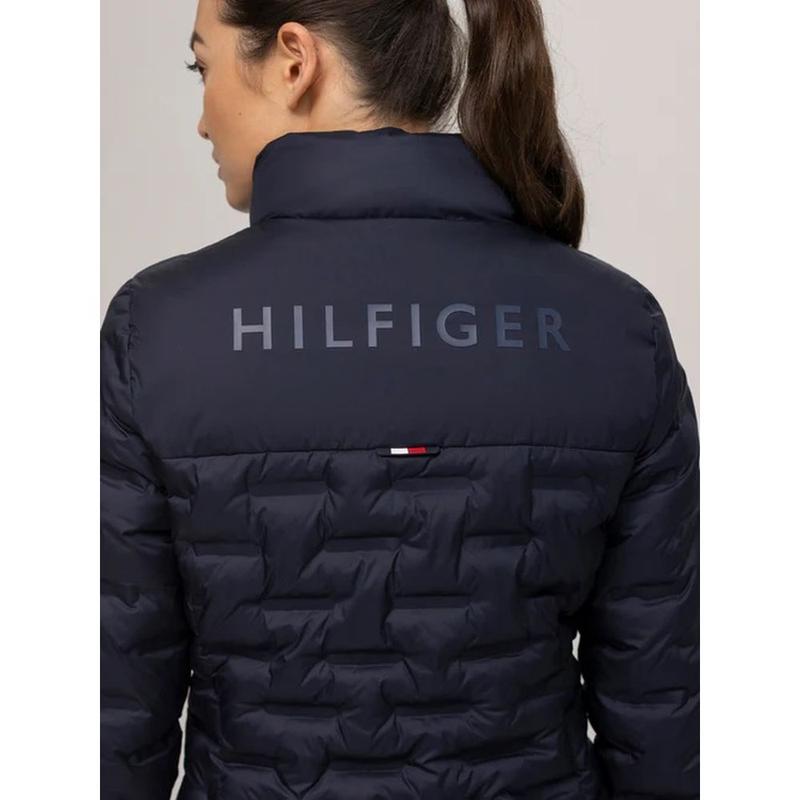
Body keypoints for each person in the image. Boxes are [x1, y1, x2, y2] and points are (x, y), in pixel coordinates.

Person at [100, 1, 700, 798]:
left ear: (293, 59)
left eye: (202, 66)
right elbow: (663, 720)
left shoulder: (159, 329)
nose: (203, 118)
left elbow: (115, 718)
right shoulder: (615, 323)